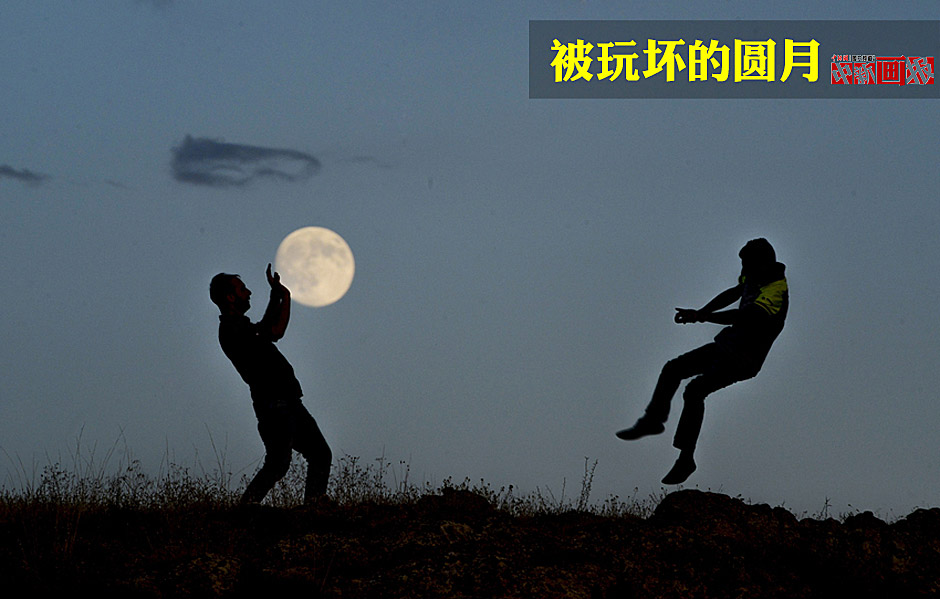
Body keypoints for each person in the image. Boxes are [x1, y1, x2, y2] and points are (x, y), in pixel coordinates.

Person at [616, 238, 788, 485]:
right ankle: (673, 446)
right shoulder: (754, 275)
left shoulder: (775, 291)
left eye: (746, 265)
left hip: (743, 358)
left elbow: (742, 316)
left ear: (761, 263)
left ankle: (676, 447)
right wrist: (700, 312)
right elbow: (734, 292)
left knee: (687, 381)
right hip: (728, 348)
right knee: (683, 379)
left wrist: (704, 317)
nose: (742, 271)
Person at [210, 264, 332, 504]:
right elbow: (275, 331)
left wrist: (276, 297)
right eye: (242, 289)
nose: (248, 293)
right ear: (230, 296)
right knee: (280, 463)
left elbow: (265, 330)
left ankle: (313, 506)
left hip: (286, 403)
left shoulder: (240, 327)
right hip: (274, 406)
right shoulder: (232, 329)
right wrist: (283, 297)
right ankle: (247, 509)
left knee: (316, 454)